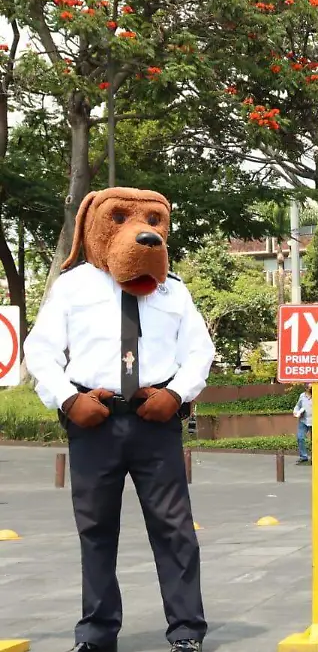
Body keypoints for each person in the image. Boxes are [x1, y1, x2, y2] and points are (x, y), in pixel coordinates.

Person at [24, 187, 215, 652]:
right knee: (95, 529)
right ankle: (96, 632)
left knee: (174, 528)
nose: (145, 230)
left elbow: (199, 351)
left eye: (155, 219)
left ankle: (186, 630)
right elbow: (40, 350)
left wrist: (176, 394)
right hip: (95, 421)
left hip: (156, 420)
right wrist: (68, 402)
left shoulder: (175, 290)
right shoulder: (73, 287)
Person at [294, 384, 314, 465]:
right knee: (300, 437)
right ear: (306, 388)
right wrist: (295, 412)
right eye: (310, 387)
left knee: (315, 440)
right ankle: (303, 456)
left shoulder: (317, 395)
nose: (312, 389)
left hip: (314, 421)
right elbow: (298, 406)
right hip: (303, 420)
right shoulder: (302, 396)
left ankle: (314, 457)